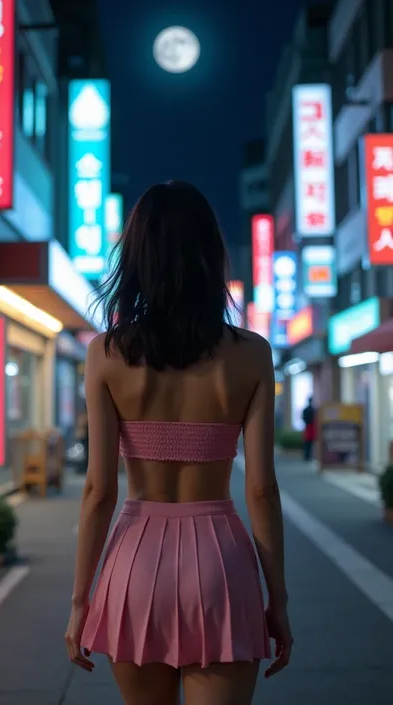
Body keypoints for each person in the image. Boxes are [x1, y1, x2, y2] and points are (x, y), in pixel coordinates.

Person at [65, 182, 293, 705]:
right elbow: (261, 489)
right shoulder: (251, 354)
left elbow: (99, 491)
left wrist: (81, 603)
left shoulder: (106, 354)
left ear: (137, 256)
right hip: (223, 565)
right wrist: (276, 600)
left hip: (133, 566)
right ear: (211, 253)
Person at [302, 397, 316, 462]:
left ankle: (306, 456)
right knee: (309, 442)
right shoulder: (313, 410)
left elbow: (303, 418)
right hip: (310, 427)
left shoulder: (306, 410)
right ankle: (307, 456)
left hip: (308, 427)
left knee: (307, 442)